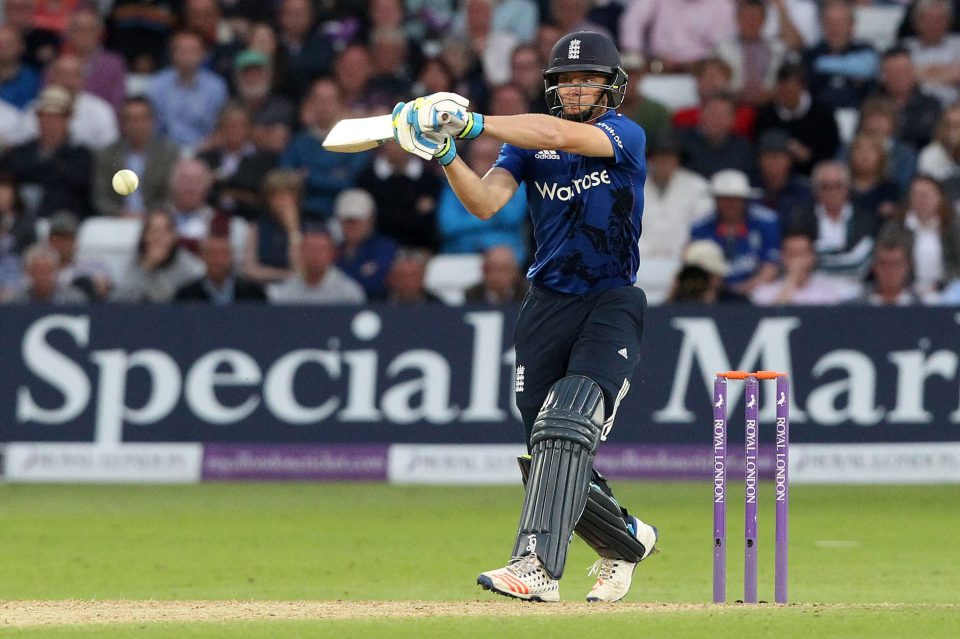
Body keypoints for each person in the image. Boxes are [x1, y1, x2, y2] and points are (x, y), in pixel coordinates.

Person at [391, 30, 658, 603]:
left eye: (587, 79)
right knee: (549, 446)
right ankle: (627, 539)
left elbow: (559, 134)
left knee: (566, 425)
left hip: (610, 299)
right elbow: (486, 203)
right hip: (546, 307)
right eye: (566, 79)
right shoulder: (527, 145)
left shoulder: (622, 134)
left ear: (610, 87)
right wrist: (445, 155)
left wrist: (472, 123)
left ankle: (535, 567)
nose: (575, 88)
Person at [689, 169, 782, 295]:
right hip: (714, 293)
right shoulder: (700, 227)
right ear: (715, 200)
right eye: (724, 199)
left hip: (758, 291)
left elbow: (771, 266)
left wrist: (746, 288)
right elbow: (695, 267)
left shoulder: (767, 222)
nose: (730, 204)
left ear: (745, 199)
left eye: (735, 199)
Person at [112, 210, 206, 303]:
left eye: (164, 231)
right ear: (144, 237)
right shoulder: (133, 261)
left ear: (174, 236)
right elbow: (119, 299)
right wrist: (147, 266)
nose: (158, 237)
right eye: (153, 231)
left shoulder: (190, 266)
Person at [750, 229, 861, 305]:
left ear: (812, 257)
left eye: (802, 254)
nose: (798, 260)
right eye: (792, 254)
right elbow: (772, 318)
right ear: (782, 257)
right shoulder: (764, 292)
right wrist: (792, 279)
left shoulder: (826, 291)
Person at [267, 228, 366, 305]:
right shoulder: (283, 291)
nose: (315, 255)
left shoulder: (349, 293)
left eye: (321, 250)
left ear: (332, 254)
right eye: (310, 249)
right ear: (301, 253)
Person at [333, 188, 397, 300]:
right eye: (347, 221)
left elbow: (377, 283)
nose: (352, 226)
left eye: (357, 220)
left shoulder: (385, 248)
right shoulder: (333, 250)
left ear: (371, 220)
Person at [175, 232, 267, 304]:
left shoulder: (252, 293)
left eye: (223, 254)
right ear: (202, 257)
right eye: (213, 254)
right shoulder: (186, 296)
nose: (218, 260)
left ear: (231, 257)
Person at [464, 244, 529, 304]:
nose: (499, 275)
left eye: (505, 269)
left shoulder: (528, 294)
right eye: (493, 269)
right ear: (484, 270)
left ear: (515, 271)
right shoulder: (473, 295)